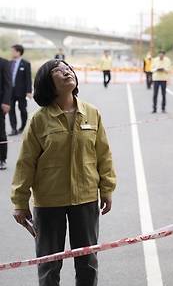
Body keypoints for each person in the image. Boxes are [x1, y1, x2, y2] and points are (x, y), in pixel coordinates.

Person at [10, 59, 116, 286]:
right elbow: (25, 163)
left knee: (87, 261)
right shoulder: (39, 119)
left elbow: (103, 155)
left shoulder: (91, 113)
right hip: (49, 202)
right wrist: (20, 201)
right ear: (47, 82)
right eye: (59, 70)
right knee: (49, 264)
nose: (67, 72)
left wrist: (107, 189)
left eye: (68, 68)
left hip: (86, 198)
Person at [8, 44, 32, 136]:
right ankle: (13, 129)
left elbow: (28, 78)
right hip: (10, 92)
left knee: (22, 109)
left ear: (18, 52)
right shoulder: (9, 63)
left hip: (21, 91)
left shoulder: (25, 64)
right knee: (11, 110)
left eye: (13, 51)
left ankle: (23, 127)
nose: (12, 53)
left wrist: (29, 91)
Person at [0, 56, 11, 170]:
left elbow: (8, 84)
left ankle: (2, 159)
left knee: (1, 132)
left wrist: (6, 102)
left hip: (0, 104)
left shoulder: (4, 63)